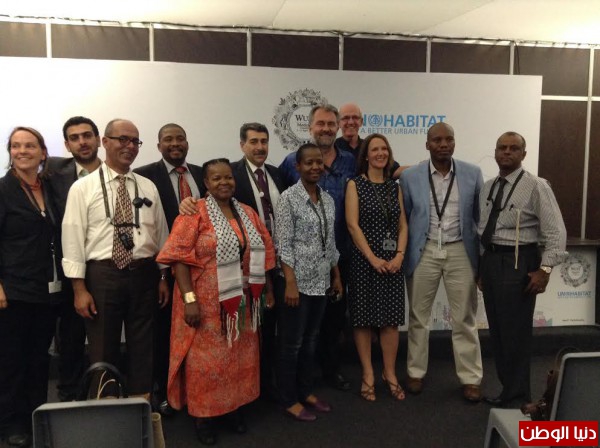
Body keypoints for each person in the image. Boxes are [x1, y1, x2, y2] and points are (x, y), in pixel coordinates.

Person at [156, 158, 275, 445]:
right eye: (216, 178)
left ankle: (233, 409)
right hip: (204, 305)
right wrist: (189, 300)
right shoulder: (194, 213)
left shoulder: (247, 212)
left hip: (241, 305)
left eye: (228, 177)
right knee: (206, 365)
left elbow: (264, 250)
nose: (224, 183)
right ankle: (204, 417)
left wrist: (268, 291)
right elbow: (179, 259)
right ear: (206, 183)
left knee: (237, 360)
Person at [61, 118, 170, 401]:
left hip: (143, 273)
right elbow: (72, 239)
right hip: (102, 275)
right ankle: (106, 406)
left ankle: (141, 406)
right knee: (102, 347)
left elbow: (161, 236)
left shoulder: (148, 187)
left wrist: (162, 276)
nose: (129, 146)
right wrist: (79, 289)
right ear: (105, 142)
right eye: (123, 139)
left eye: (135, 141)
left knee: (143, 344)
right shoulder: (82, 188)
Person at [479, 131, 567, 409]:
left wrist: (545, 270)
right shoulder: (488, 186)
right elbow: (483, 228)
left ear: (523, 154)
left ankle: (518, 397)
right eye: (501, 147)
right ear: (495, 152)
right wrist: (481, 268)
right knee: (498, 333)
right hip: (491, 261)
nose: (506, 152)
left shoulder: (536, 186)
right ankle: (509, 390)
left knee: (515, 334)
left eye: (513, 148)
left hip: (518, 262)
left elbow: (556, 231)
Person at [399, 122, 483, 402]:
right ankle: (415, 372)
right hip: (424, 251)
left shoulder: (472, 173)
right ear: (427, 144)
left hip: (460, 250)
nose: (443, 144)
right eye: (437, 140)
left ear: (455, 143)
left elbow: (479, 217)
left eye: (449, 139)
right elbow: (406, 216)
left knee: (464, 318)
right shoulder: (410, 176)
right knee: (418, 317)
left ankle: (470, 378)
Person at [279, 104, 356, 392]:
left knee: (332, 323)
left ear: (338, 127)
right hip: (298, 268)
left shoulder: (349, 162)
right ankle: (297, 385)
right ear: (310, 127)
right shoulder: (290, 163)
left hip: (336, 257)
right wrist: (289, 278)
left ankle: (328, 371)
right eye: (320, 124)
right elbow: (282, 223)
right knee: (298, 333)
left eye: (330, 124)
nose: (325, 129)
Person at [133, 123, 204, 415]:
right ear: (158, 145)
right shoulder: (143, 176)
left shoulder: (202, 174)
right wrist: (163, 272)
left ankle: (193, 389)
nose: (175, 143)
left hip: (200, 271)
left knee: (197, 333)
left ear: (187, 142)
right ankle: (162, 390)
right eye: (168, 139)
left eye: (180, 138)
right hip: (163, 271)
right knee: (162, 333)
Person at [0, 127, 64, 448]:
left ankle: (37, 415)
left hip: (47, 289)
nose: (22, 151)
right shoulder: (3, 190)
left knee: (39, 357)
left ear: (42, 152)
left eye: (29, 145)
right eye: (15, 146)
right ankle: (12, 423)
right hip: (12, 288)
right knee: (12, 359)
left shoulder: (50, 188)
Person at [276, 143, 343, 421]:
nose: (315, 167)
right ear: (298, 166)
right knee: (292, 344)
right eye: (309, 163)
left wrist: (336, 275)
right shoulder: (288, 199)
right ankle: (288, 399)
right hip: (297, 283)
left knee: (311, 340)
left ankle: (306, 391)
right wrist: (290, 282)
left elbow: (330, 242)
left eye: (319, 162)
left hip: (321, 281)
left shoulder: (327, 199)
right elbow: (283, 244)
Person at [345, 133, 408, 401]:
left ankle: (389, 373)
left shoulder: (395, 187)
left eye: (384, 149)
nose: (380, 153)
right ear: (366, 155)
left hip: (392, 262)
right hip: (364, 262)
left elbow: (403, 225)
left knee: (390, 322)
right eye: (374, 149)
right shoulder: (355, 184)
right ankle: (368, 374)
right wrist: (372, 258)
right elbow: (352, 225)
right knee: (363, 321)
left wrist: (400, 255)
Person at [46, 116, 102, 402]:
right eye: (75, 138)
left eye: (87, 135)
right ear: (67, 145)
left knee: (106, 334)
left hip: (107, 267)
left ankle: (107, 392)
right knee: (70, 335)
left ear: (99, 139)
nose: (82, 142)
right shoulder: (54, 173)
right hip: (69, 267)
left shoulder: (114, 172)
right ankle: (68, 395)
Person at [230, 123, 286, 401]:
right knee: (251, 329)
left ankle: (270, 381)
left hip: (279, 263)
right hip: (247, 265)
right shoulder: (231, 174)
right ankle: (249, 385)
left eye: (264, 141)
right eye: (253, 142)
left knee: (276, 324)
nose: (260, 147)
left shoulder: (277, 174)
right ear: (242, 145)